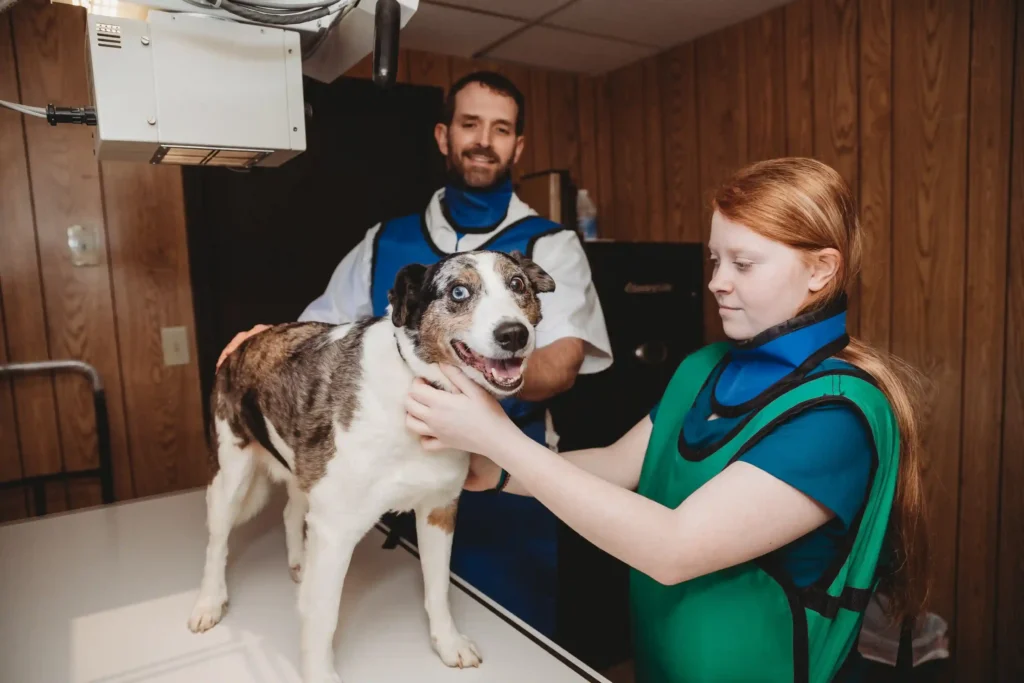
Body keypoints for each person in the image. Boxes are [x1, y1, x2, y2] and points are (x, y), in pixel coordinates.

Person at [404, 157, 930, 682]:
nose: (717, 283)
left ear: (821, 269)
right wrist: (493, 471)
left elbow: (674, 547)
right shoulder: (703, 368)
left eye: (743, 264)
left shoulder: (837, 414)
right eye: (714, 260)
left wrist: (497, 437)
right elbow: (617, 465)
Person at [216, 70, 613, 638]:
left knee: (512, 652)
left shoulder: (549, 244)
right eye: (469, 124)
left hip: (510, 488)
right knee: (394, 642)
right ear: (442, 135)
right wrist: (264, 339)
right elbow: (316, 330)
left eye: (501, 129)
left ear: (518, 146)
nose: (483, 140)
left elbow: (562, 363)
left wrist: (469, 380)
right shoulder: (383, 240)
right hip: (391, 484)